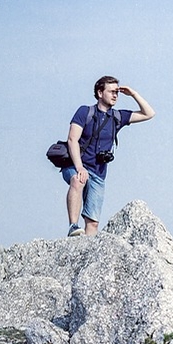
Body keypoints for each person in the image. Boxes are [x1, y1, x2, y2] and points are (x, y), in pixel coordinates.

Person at [63, 76, 155, 236]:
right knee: (78, 181)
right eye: (112, 92)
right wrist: (79, 167)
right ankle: (73, 226)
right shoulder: (85, 112)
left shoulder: (117, 117)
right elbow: (72, 139)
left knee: (93, 222)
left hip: (98, 172)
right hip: (76, 165)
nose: (115, 95)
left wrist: (133, 94)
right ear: (100, 93)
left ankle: (87, 248)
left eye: (117, 92)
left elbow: (149, 113)